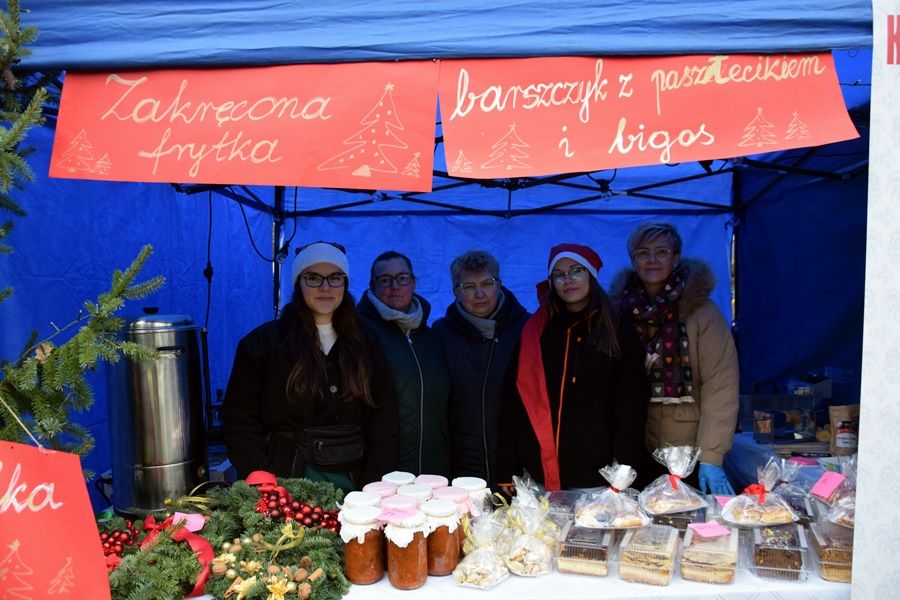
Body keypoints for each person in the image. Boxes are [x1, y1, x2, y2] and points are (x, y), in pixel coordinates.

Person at [223, 241, 399, 491]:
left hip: (357, 481)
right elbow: (240, 420)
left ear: (345, 283)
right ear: (299, 283)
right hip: (284, 481)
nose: (325, 287)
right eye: (313, 277)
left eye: (335, 278)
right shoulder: (263, 344)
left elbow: (385, 419)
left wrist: (374, 486)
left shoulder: (367, 341)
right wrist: (263, 483)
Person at [495, 244, 649, 492]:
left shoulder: (617, 330)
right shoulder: (536, 331)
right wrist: (505, 469)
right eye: (559, 274)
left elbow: (631, 406)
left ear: (591, 275)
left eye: (577, 270)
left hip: (598, 480)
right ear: (552, 282)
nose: (568, 280)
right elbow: (513, 402)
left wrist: (625, 470)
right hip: (538, 476)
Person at [610, 222, 739, 495]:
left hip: (688, 453)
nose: (652, 260)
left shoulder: (702, 312)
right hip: (634, 451)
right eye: (643, 253)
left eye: (661, 251)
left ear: (676, 257)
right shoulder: (619, 312)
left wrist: (711, 457)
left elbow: (721, 387)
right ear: (633, 261)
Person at [432, 250, 530, 483]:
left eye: (487, 283)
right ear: (455, 291)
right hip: (462, 464)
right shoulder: (441, 334)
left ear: (500, 284)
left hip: (518, 462)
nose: (479, 294)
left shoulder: (528, 328)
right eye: (468, 286)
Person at [356, 250, 451, 476]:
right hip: (381, 469)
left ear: (413, 283)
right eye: (385, 280)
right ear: (373, 285)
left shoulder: (431, 338)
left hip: (433, 467)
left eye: (402, 278)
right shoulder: (359, 332)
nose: (395, 286)